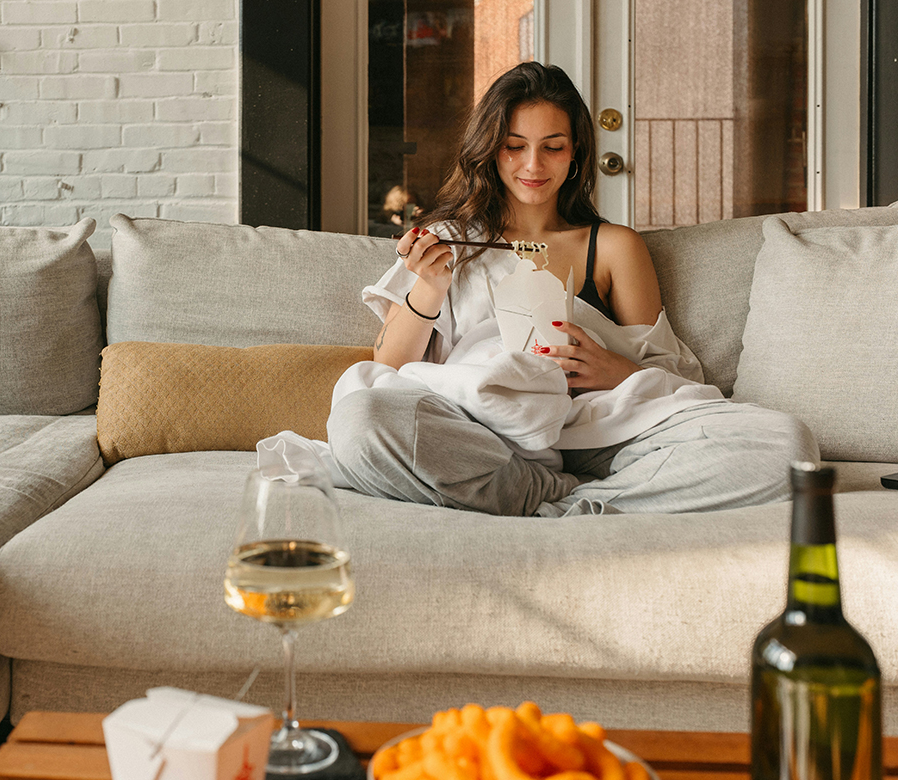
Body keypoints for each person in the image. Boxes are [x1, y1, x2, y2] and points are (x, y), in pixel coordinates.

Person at [325, 62, 817, 517]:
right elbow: (388, 368)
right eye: (514, 146)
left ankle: (564, 503)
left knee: (785, 445)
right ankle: (541, 489)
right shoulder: (450, 240)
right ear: (489, 149)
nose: (533, 165)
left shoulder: (612, 247)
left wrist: (615, 369)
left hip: (594, 429)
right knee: (360, 421)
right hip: (477, 428)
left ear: (576, 151)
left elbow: (670, 375)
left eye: (553, 146)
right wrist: (430, 287)